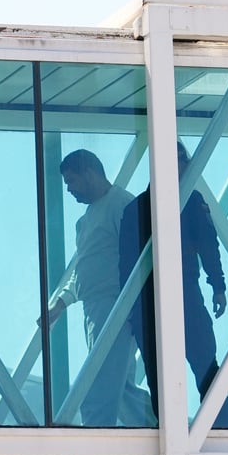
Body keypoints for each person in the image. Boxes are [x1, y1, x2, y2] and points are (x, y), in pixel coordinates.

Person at [119, 142, 228, 428]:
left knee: (192, 368)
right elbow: (208, 244)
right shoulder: (152, 207)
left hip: (166, 301)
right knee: (196, 366)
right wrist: (217, 286)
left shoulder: (142, 208)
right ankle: (213, 430)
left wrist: (217, 284)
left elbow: (208, 245)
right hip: (168, 301)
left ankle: (212, 429)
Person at [44, 150, 155, 427]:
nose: (69, 189)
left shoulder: (122, 205)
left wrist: (131, 306)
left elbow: (140, 257)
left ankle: (92, 441)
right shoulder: (84, 221)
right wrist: (61, 303)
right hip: (94, 309)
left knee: (97, 381)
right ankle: (157, 427)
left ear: (89, 174)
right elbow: (83, 268)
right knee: (120, 388)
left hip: (116, 306)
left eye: (72, 181)